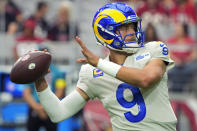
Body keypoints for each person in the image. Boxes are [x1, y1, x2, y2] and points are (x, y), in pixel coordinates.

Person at [34, 2, 177, 131]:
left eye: (133, 26)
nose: (132, 33)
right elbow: (58, 113)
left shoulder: (153, 49)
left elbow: (146, 79)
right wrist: (40, 82)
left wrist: (100, 63)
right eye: (124, 28)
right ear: (106, 33)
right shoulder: (93, 72)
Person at [23, 53, 66, 131]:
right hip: (39, 107)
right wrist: (38, 108)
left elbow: (60, 90)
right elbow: (26, 93)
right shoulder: (31, 71)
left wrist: (42, 108)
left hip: (46, 108)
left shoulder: (58, 72)